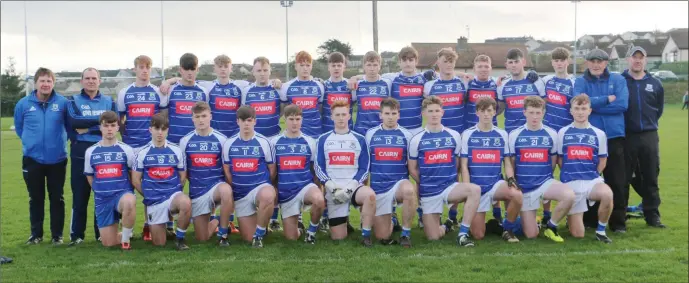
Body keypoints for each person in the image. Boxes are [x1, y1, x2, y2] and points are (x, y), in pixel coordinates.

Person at [408, 96, 481, 247]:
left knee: (474, 190)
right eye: (430, 111)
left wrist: (450, 180)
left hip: (449, 187)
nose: (434, 114)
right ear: (423, 114)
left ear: (442, 112)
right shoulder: (416, 139)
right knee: (433, 237)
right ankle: (446, 226)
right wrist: (426, 182)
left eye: (437, 111)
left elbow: (457, 163)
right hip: (429, 191)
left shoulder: (454, 135)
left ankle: (462, 234)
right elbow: (412, 168)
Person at [573, 49, 629, 232]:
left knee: (617, 180)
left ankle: (618, 222)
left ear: (606, 63)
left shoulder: (618, 79)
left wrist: (593, 106)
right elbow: (578, 104)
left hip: (614, 137)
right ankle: (589, 220)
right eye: (592, 61)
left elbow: (622, 104)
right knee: (589, 179)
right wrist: (606, 99)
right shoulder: (580, 81)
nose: (596, 65)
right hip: (588, 139)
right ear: (587, 63)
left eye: (600, 61)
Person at [117, 55, 170, 241]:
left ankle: (149, 225)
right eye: (141, 67)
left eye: (148, 67)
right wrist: (126, 137)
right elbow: (120, 120)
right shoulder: (125, 93)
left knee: (150, 184)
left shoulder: (158, 92)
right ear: (135, 69)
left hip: (150, 147)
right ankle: (125, 228)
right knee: (128, 186)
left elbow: (162, 118)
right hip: (131, 146)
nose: (145, 70)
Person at [508, 96, 576, 242]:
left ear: (543, 112)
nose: (535, 116)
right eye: (531, 112)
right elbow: (512, 163)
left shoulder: (552, 134)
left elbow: (552, 161)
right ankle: (535, 222)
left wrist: (546, 179)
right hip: (525, 188)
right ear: (524, 112)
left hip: (545, 183)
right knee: (531, 234)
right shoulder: (514, 135)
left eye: (538, 113)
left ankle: (551, 226)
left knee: (569, 195)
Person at [14, 67, 70, 245]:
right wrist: (31, 144)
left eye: (49, 81)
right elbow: (20, 127)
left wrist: (58, 144)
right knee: (36, 198)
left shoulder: (62, 103)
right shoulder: (23, 104)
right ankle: (36, 235)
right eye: (42, 81)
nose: (45, 84)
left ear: (53, 83)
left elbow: (69, 127)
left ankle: (57, 236)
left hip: (57, 159)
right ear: (35, 83)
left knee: (57, 198)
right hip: (32, 159)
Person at [314, 100, 378, 247]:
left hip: (354, 187)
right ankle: (344, 223)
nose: (341, 118)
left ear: (349, 116)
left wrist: (350, 188)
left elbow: (364, 168)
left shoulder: (360, 139)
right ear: (332, 117)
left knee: (370, 195)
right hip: (334, 189)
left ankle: (366, 235)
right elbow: (319, 168)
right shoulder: (323, 139)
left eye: (344, 114)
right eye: (338, 115)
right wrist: (333, 188)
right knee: (338, 238)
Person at [460, 97, 522, 243]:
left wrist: (511, 178)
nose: (486, 114)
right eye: (482, 111)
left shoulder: (502, 134)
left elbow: (507, 162)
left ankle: (507, 229)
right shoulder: (467, 134)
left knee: (517, 195)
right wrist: (468, 188)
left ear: (495, 112)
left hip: (495, 184)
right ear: (477, 113)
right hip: (476, 188)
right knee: (478, 235)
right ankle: (494, 226)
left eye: (489, 110)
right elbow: (464, 165)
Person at [66, 67, 116, 246]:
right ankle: (76, 235)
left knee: (102, 194)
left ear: (100, 80)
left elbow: (113, 121)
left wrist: (88, 127)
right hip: (80, 151)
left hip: (104, 151)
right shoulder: (72, 100)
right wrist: (102, 121)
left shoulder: (109, 100)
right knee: (80, 195)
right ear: (82, 81)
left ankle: (101, 234)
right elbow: (73, 122)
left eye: (94, 78)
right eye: (87, 78)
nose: (91, 81)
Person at [557, 94, 614, 243]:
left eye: (584, 108)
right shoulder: (562, 133)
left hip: (591, 181)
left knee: (607, 194)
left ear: (590, 111)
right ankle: (571, 217)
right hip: (571, 183)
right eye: (577, 108)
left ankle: (601, 231)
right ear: (571, 111)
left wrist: (592, 175)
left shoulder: (599, 134)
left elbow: (602, 160)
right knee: (578, 234)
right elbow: (560, 159)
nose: (580, 112)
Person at [178, 101, 235, 246]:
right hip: (198, 191)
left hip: (216, 187)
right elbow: (185, 171)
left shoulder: (222, 140)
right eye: (197, 117)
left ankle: (223, 235)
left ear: (210, 116)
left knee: (226, 191)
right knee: (202, 238)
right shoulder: (185, 141)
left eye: (204, 116)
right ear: (192, 119)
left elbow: (226, 169)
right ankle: (217, 221)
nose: (200, 120)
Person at [132, 113, 192, 250]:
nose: (160, 132)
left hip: (172, 197)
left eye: (163, 129)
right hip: (154, 201)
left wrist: (176, 193)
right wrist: (148, 194)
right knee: (159, 243)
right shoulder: (142, 153)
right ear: (150, 130)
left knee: (185, 202)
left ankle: (180, 239)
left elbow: (183, 176)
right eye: (157, 128)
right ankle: (162, 228)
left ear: (167, 130)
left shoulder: (176, 150)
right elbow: (135, 180)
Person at [621, 46, 665, 228]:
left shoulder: (655, 83)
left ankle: (652, 215)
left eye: (641, 57)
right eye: (634, 57)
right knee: (623, 177)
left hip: (649, 135)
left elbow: (658, 110)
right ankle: (619, 214)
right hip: (626, 136)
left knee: (651, 175)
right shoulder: (620, 81)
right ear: (628, 60)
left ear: (645, 60)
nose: (637, 60)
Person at [365, 98, 417, 247]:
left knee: (408, 190)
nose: (390, 117)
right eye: (387, 113)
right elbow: (367, 165)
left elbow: (412, 164)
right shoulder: (370, 134)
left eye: (393, 113)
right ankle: (392, 218)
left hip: (398, 185)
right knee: (382, 235)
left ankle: (406, 234)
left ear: (398, 115)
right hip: (379, 188)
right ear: (380, 115)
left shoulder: (407, 135)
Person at [222, 106, 276, 248]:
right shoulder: (229, 143)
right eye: (243, 120)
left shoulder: (265, 142)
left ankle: (259, 234)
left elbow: (272, 169)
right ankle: (259, 227)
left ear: (254, 122)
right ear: (237, 122)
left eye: (249, 120)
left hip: (260, 187)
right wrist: (238, 186)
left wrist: (261, 183)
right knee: (246, 238)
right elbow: (227, 170)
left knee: (268, 195)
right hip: (241, 194)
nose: (246, 124)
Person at [270, 104, 325, 243]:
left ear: (302, 119)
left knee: (319, 199)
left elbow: (315, 169)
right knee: (291, 238)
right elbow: (273, 170)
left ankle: (311, 233)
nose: (295, 123)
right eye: (291, 119)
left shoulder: (310, 142)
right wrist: (274, 189)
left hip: (305, 188)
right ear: (284, 119)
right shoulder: (274, 142)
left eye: (298, 119)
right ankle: (299, 229)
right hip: (286, 192)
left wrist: (317, 187)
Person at [243, 56, 285, 232]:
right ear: (253, 71)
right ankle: (254, 216)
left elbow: (283, 108)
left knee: (275, 178)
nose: (262, 74)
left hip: (274, 138)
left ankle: (273, 218)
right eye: (258, 70)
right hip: (255, 142)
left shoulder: (277, 89)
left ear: (270, 71)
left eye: (265, 70)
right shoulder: (246, 91)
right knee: (254, 177)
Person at [83, 111, 137, 249]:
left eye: (113, 125)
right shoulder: (90, 151)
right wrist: (99, 191)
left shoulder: (127, 150)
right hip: (103, 200)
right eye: (106, 126)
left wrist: (129, 192)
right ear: (100, 127)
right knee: (109, 243)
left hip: (122, 195)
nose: (109, 129)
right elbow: (90, 176)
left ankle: (125, 240)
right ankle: (123, 231)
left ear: (118, 127)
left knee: (130, 201)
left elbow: (133, 174)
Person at [539, 47, 576, 226]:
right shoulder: (545, 81)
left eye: (563, 60)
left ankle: (571, 213)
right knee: (547, 173)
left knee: (567, 173)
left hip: (566, 135)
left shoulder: (574, 83)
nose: (560, 63)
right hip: (548, 134)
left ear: (568, 62)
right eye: (556, 60)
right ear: (552, 63)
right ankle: (546, 214)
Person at [319, 52, 354, 231]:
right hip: (327, 137)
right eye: (333, 65)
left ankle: (346, 218)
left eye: (339, 65)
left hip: (347, 138)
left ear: (344, 67)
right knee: (328, 177)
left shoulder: (350, 85)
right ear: (329, 67)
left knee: (346, 177)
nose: (336, 68)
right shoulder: (323, 86)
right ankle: (326, 216)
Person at [163, 53, 210, 144]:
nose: (189, 72)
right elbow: (164, 117)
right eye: (186, 69)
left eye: (192, 69)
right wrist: (168, 81)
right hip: (173, 142)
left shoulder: (204, 91)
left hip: (195, 143)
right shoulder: (170, 90)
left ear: (197, 70)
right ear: (180, 70)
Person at [497, 48, 546, 133]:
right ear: (506, 65)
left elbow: (545, 105)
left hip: (532, 132)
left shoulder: (536, 81)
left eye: (516, 62)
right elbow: (499, 108)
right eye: (510, 62)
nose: (513, 65)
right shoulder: (502, 84)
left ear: (523, 62)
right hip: (510, 132)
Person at [423, 47, 468, 134]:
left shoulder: (463, 83)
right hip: (437, 133)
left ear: (455, 63)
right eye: (445, 61)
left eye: (451, 61)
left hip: (460, 133)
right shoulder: (429, 86)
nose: (448, 65)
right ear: (438, 63)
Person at [350, 51, 393, 136]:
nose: (372, 68)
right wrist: (354, 77)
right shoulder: (357, 84)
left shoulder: (387, 83)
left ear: (379, 66)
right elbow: (350, 103)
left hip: (381, 130)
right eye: (369, 65)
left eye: (375, 65)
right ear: (364, 67)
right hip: (361, 131)